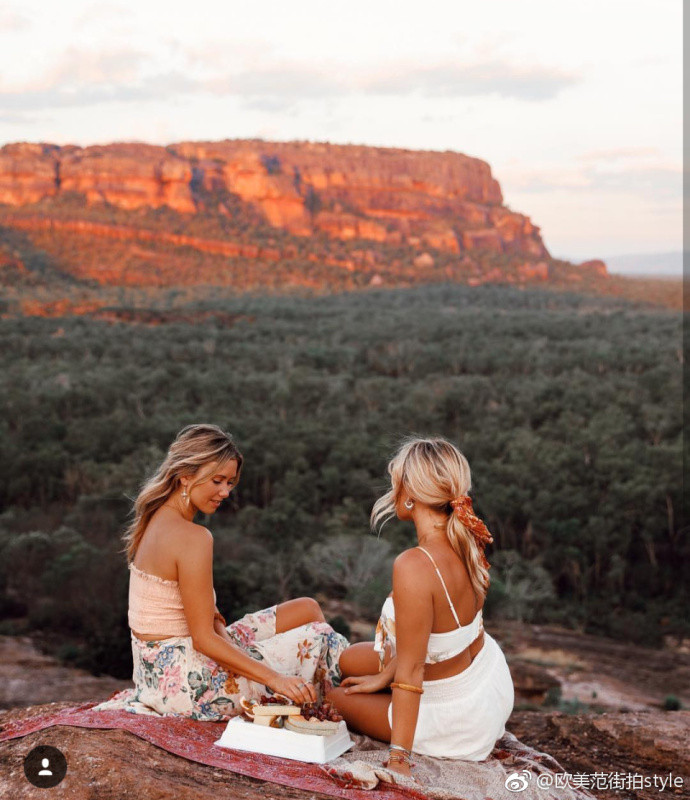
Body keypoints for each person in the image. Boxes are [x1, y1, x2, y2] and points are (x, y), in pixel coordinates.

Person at [93, 424, 348, 720]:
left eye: (230, 482)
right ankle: (367, 688)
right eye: (218, 481)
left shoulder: (156, 516)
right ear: (185, 475)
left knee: (307, 608)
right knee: (318, 637)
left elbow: (203, 626)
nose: (226, 492)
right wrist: (274, 678)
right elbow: (203, 639)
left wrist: (233, 643)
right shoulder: (193, 537)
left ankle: (343, 681)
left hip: (154, 675)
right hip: (188, 683)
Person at [326, 438, 514, 776]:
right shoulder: (467, 538)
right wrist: (383, 677)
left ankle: (408, 730)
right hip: (487, 682)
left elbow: (412, 672)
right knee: (350, 658)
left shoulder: (414, 564)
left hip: (457, 717)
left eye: (395, 481)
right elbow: (431, 641)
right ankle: (378, 677)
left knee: (336, 698)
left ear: (410, 493)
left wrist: (399, 759)